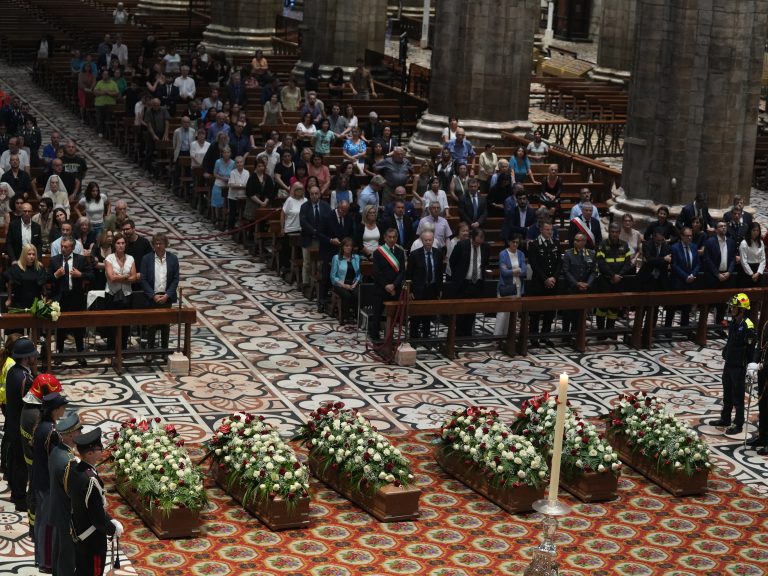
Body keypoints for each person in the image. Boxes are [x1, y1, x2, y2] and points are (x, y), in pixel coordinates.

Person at [68, 427, 123, 576]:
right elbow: (97, 519)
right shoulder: (91, 480)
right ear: (90, 453)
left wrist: (110, 520)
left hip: (79, 533)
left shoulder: (76, 469)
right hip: (92, 542)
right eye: (99, 449)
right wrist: (112, 529)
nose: (102, 451)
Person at [32, 391, 69, 572]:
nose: (64, 409)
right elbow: (56, 459)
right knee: (47, 524)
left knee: (40, 520)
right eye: (62, 406)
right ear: (55, 409)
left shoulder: (41, 426)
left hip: (38, 479)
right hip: (47, 483)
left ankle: (39, 557)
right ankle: (46, 562)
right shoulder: (52, 432)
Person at [710, 293, 755, 436]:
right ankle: (725, 418)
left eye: (734, 307)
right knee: (727, 393)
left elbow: (751, 349)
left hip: (739, 367)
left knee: (738, 396)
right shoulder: (735, 322)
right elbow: (731, 341)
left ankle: (738, 423)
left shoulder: (748, 326)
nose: (731, 309)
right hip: (729, 363)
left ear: (742, 309)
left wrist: (750, 366)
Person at [5, 337, 38, 510]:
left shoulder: (13, 371)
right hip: (21, 425)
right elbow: (33, 403)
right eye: (32, 355)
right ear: (26, 357)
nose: (35, 357)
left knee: (14, 460)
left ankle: (15, 492)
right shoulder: (25, 378)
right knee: (22, 464)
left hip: (11, 421)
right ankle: (20, 499)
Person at [49, 410, 82, 576]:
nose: (80, 434)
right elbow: (72, 492)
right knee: (67, 556)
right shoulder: (68, 461)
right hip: (66, 513)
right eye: (78, 431)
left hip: (56, 508)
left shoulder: (57, 451)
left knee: (59, 550)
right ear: (69, 435)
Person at [50, 236, 92, 365]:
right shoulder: (55, 260)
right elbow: (46, 278)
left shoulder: (81, 259)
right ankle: (59, 354)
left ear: (72, 248)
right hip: (61, 298)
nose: (63, 249)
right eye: (62, 246)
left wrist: (81, 275)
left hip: (76, 298)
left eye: (66, 247)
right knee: (60, 328)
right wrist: (55, 275)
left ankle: (80, 353)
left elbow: (91, 275)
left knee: (78, 327)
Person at [140, 233, 180, 354]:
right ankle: (150, 351)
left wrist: (167, 295)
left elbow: (175, 279)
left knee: (165, 325)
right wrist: (153, 295)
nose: (158, 246)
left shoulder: (173, 259)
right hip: (152, 297)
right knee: (151, 325)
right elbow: (143, 279)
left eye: (160, 243)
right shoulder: (147, 259)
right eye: (156, 243)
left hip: (166, 297)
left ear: (165, 244)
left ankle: (164, 351)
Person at [449, 228, 489, 336]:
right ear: (472, 238)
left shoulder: (485, 247)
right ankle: (458, 334)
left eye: (480, 242)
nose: (478, 244)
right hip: (463, 283)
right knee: (461, 311)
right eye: (476, 242)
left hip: (477, 284)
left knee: (472, 310)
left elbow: (485, 263)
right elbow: (452, 261)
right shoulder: (462, 245)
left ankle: (468, 333)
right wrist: (458, 276)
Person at [527, 221, 561, 346]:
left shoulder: (556, 243)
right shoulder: (534, 244)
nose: (550, 232)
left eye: (551, 230)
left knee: (549, 312)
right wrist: (545, 279)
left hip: (553, 284)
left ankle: (545, 336)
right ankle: (534, 337)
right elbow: (534, 265)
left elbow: (559, 263)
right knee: (536, 312)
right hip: (539, 284)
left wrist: (554, 277)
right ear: (541, 230)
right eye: (547, 229)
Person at [595, 223, 633, 334]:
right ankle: (600, 332)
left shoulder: (624, 245)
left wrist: (619, 275)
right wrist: (612, 275)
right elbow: (601, 263)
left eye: (616, 232)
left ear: (619, 233)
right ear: (609, 232)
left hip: (619, 281)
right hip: (605, 280)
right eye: (612, 232)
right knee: (602, 307)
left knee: (614, 307)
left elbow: (627, 263)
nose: (614, 234)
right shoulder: (602, 245)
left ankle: (610, 331)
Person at [369, 228, 405, 341]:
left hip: (395, 289)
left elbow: (402, 271)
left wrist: (394, 285)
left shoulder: (400, 252)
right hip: (380, 289)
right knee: (377, 315)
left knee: (394, 315)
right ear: (385, 238)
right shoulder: (378, 252)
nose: (392, 239)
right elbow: (376, 272)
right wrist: (386, 285)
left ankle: (390, 337)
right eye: (390, 237)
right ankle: (375, 338)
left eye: (394, 237)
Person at [407, 230, 444, 339]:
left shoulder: (438, 253)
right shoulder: (414, 255)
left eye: (430, 240)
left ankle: (426, 336)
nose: (428, 242)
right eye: (426, 240)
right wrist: (410, 290)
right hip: (418, 290)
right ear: (422, 241)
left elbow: (439, 273)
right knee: (416, 316)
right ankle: (413, 338)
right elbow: (409, 275)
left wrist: (439, 289)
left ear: (433, 240)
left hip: (432, 289)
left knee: (428, 315)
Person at [104, 232, 137, 352]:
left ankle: (123, 349)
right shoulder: (109, 258)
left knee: (125, 324)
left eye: (123, 243)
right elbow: (111, 278)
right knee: (111, 323)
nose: (121, 245)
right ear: (114, 245)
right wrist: (126, 276)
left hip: (127, 295)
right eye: (118, 243)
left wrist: (120, 276)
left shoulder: (131, 258)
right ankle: (111, 350)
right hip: (112, 295)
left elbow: (134, 278)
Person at [561, 233, 597, 335]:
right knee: (568, 314)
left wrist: (587, 284)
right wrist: (577, 283)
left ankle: (576, 334)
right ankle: (565, 335)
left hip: (584, 289)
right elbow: (566, 271)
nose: (575, 242)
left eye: (578, 240)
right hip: (571, 288)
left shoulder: (591, 254)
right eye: (575, 240)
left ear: (584, 242)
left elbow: (593, 272)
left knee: (580, 313)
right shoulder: (568, 253)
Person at [703, 220, 738, 325]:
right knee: (708, 303)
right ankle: (703, 327)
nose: (723, 228)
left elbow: (733, 259)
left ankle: (719, 326)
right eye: (721, 226)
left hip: (726, 276)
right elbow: (707, 260)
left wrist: (729, 272)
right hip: (713, 277)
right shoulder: (710, 242)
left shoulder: (731, 242)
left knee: (722, 304)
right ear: (716, 230)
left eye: (725, 226)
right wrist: (717, 274)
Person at [494, 235, 526, 337]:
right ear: (509, 242)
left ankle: (509, 336)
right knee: (502, 313)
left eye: (517, 242)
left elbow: (524, 271)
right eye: (513, 242)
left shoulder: (521, 254)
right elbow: (504, 272)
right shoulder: (503, 254)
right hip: (506, 287)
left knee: (513, 313)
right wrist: (516, 270)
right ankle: (497, 337)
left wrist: (511, 271)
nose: (515, 244)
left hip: (518, 286)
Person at [5, 243, 47, 312]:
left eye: (33, 254)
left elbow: (43, 284)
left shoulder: (39, 268)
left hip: (35, 304)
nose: (31, 256)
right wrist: (9, 299)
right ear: (24, 254)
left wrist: (45, 297)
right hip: (19, 303)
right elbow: (10, 284)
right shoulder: (16, 268)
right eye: (29, 254)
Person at [330, 237, 361, 324]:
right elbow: (333, 276)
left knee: (357, 294)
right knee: (347, 296)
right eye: (346, 246)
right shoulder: (336, 258)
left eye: (350, 246)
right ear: (342, 247)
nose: (348, 248)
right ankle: (345, 316)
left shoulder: (356, 257)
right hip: (340, 283)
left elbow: (359, 274)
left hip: (353, 283)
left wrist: (354, 284)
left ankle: (356, 315)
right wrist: (344, 285)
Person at [211, 145, 234, 228]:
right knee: (218, 202)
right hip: (219, 183)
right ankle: (217, 218)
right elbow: (215, 173)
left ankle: (225, 219)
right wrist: (223, 178)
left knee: (227, 203)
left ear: (230, 153)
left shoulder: (233, 163)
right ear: (222, 153)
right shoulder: (218, 162)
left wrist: (229, 179)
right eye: (225, 152)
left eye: (228, 152)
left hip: (228, 184)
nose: (226, 154)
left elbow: (234, 173)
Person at [92, 70, 119, 138]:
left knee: (108, 119)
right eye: (103, 74)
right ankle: (100, 131)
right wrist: (104, 92)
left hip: (110, 105)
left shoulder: (113, 83)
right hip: (99, 104)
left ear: (109, 75)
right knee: (100, 119)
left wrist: (109, 93)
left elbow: (116, 93)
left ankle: (107, 133)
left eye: (105, 74)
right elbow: (95, 92)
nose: (104, 76)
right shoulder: (99, 83)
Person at [739, 222, 765, 288]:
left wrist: (758, 273)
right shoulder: (744, 243)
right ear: (750, 230)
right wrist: (752, 274)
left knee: (758, 291)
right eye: (754, 230)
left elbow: (763, 259)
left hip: (758, 271)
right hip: (747, 271)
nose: (755, 232)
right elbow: (743, 261)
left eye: (757, 230)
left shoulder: (761, 242)